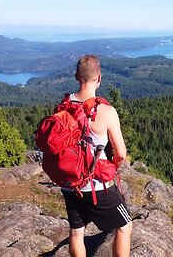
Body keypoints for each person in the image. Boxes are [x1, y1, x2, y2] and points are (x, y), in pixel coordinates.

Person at [61, 55, 132, 257]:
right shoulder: (106, 111)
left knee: (76, 233)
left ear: (77, 76)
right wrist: (113, 167)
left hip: (69, 183)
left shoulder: (64, 106)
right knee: (125, 226)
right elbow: (121, 153)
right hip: (96, 186)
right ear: (99, 78)